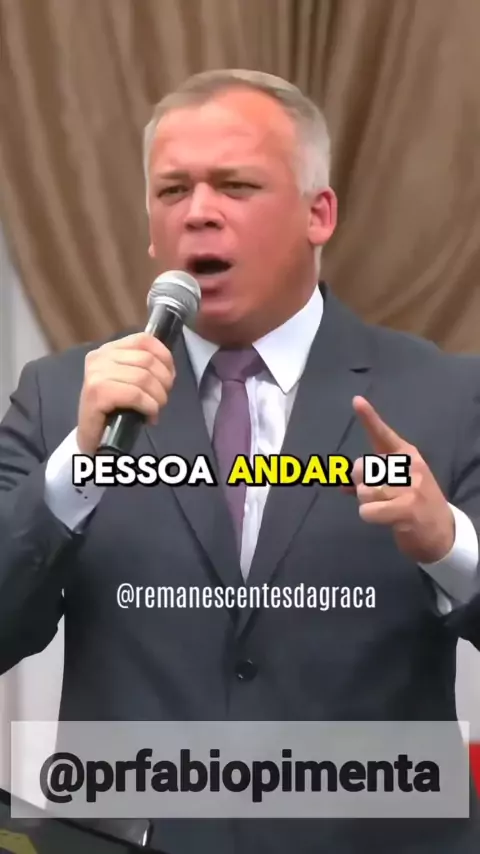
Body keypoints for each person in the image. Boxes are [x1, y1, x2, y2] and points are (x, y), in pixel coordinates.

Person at [0, 68, 479, 854]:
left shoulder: (446, 397)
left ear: (319, 214)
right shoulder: (63, 401)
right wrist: (74, 473)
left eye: (235, 185)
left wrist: (448, 545)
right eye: (172, 190)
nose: (198, 212)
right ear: (151, 230)